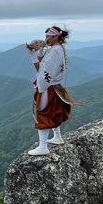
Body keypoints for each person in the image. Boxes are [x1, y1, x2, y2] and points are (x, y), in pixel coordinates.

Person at [26, 26, 71, 155]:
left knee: (43, 113)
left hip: (48, 87)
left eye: (48, 37)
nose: (46, 39)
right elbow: (47, 64)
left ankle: (43, 146)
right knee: (54, 111)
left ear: (55, 36)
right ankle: (57, 137)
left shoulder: (55, 51)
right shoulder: (59, 49)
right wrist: (40, 53)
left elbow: (43, 71)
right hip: (57, 86)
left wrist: (33, 57)